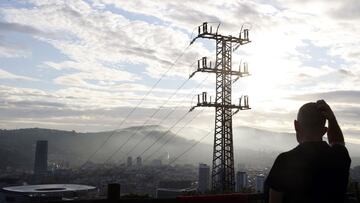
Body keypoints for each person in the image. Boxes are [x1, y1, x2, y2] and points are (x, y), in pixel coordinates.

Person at [266, 100, 351, 203]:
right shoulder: (340, 157)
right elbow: (337, 141)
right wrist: (332, 119)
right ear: (324, 131)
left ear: (296, 125)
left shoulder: (284, 161)